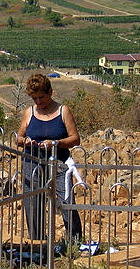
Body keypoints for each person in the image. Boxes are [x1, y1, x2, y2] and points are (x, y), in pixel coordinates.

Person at [16, 73, 83, 242]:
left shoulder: (63, 111)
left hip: (59, 162)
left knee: (66, 200)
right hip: (32, 163)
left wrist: (56, 143)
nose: (39, 102)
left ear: (50, 93)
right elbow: (19, 138)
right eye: (35, 98)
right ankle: (38, 242)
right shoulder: (29, 113)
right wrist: (27, 141)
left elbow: (75, 138)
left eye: (42, 97)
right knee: (33, 202)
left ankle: (74, 241)